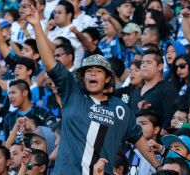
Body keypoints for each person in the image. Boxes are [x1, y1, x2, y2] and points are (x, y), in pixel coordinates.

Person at [25, 6, 160, 174]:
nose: (92, 74)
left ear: (108, 78)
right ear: (83, 77)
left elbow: (139, 140)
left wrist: (159, 167)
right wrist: (37, 26)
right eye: (88, 71)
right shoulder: (72, 92)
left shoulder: (121, 109)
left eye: (98, 71)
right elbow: (49, 63)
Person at [129, 44, 178, 131]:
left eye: (149, 62)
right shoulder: (134, 92)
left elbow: (169, 120)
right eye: (142, 63)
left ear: (160, 66)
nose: (144, 65)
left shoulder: (168, 89)